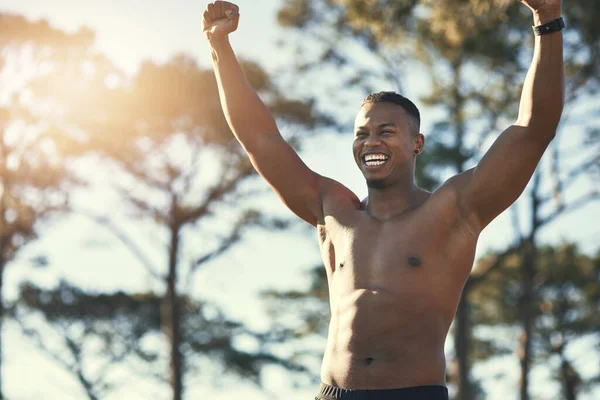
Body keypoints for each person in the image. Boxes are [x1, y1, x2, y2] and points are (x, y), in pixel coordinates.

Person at [202, 0, 565, 398]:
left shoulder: (453, 210)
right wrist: (219, 47)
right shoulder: (333, 210)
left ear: (417, 144)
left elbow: (533, 129)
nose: (371, 141)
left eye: (386, 131)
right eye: (362, 133)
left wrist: (546, 21)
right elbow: (259, 138)